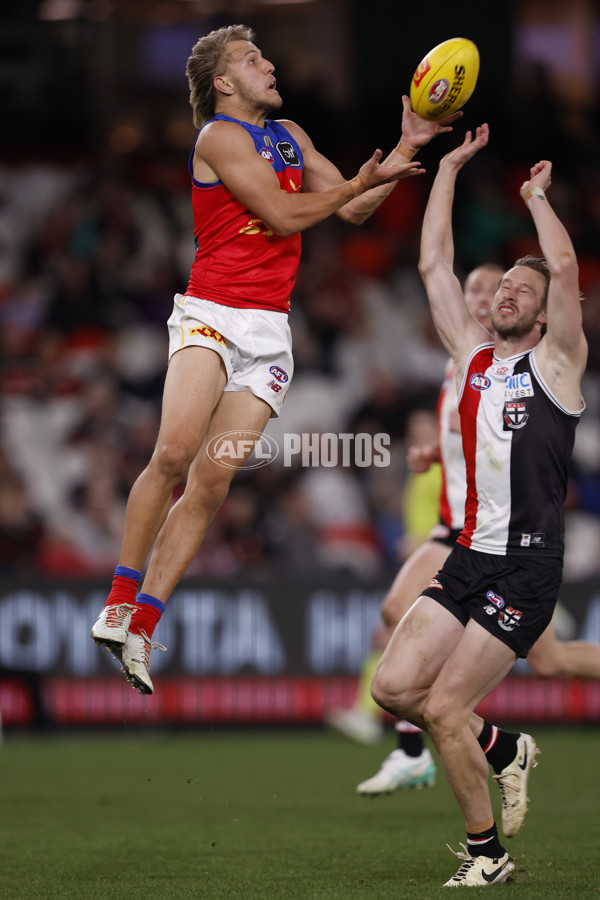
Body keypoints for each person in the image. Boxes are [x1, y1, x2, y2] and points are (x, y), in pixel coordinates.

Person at [90, 24, 460, 694]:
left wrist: (409, 143)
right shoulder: (219, 137)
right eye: (251, 58)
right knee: (173, 454)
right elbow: (288, 217)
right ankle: (118, 597)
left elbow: (356, 208)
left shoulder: (290, 135)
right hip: (213, 314)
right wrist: (353, 188)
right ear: (223, 83)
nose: (268, 64)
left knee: (211, 483)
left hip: (267, 334)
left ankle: (141, 626)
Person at [370, 124, 587, 887]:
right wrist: (450, 169)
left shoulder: (556, 367)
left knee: (444, 709)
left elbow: (560, 262)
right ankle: (506, 749)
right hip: (468, 554)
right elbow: (433, 261)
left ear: (546, 312)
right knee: (393, 689)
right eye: (502, 287)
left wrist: (535, 198)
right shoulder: (471, 357)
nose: (505, 294)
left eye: (521, 293)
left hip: (525, 568)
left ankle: (487, 856)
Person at [351, 263, 600, 795]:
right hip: (468, 535)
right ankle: (439, 749)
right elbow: (472, 445)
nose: (492, 296)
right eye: (481, 289)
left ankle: (436, 753)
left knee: (546, 664)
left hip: (504, 540)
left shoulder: (522, 366)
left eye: (504, 288)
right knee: (404, 621)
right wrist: (431, 455)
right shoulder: (464, 363)